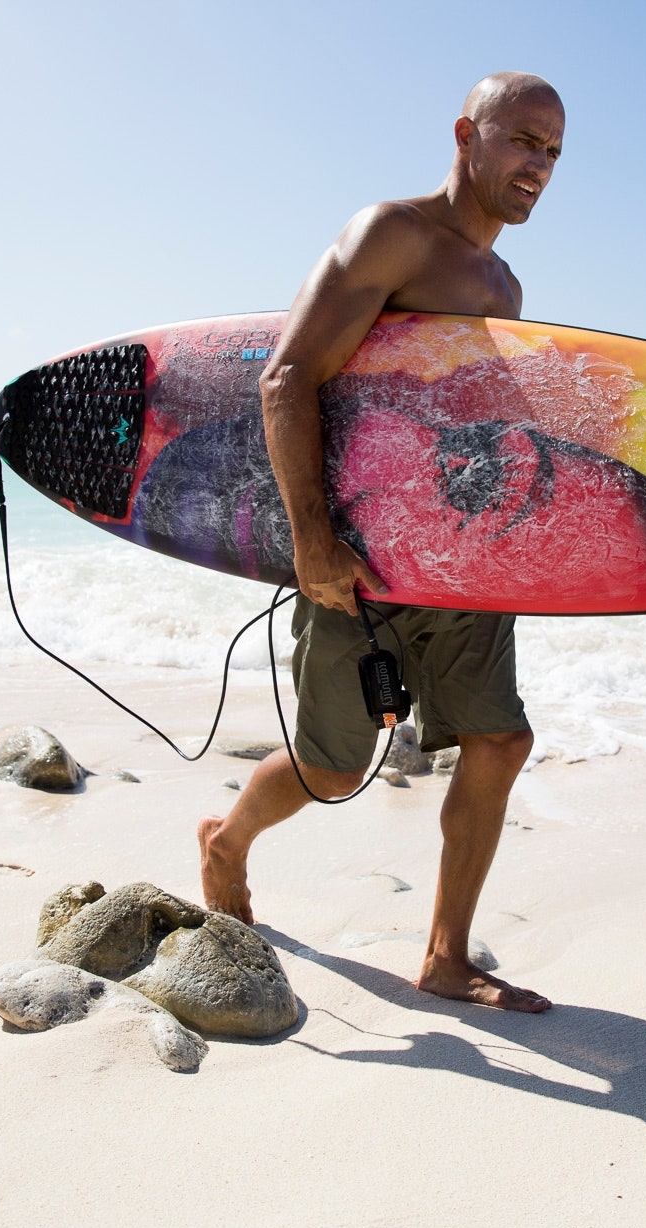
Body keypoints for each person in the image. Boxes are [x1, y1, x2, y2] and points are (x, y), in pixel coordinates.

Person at [197, 71, 565, 1013]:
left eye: (553, 152)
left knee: (501, 739)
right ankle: (228, 841)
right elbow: (286, 380)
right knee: (332, 768)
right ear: (466, 135)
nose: (539, 166)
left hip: (463, 566)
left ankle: (447, 956)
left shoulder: (506, 285)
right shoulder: (392, 233)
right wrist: (313, 542)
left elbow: (476, 428)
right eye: (523, 140)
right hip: (361, 562)